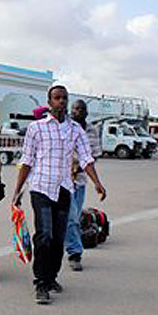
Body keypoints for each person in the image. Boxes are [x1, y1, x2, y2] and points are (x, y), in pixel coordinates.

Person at [11, 85, 106, 305]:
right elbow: (26, 160)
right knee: (44, 235)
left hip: (65, 189)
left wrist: (97, 183)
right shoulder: (37, 128)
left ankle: (52, 276)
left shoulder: (76, 130)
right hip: (41, 188)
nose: (61, 102)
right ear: (49, 101)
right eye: (57, 98)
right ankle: (41, 283)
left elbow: (86, 158)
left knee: (58, 238)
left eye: (64, 98)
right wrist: (17, 190)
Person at [64, 99, 102, 271]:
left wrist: (79, 168)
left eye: (80, 109)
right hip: (61, 180)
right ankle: (74, 251)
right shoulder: (64, 126)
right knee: (68, 218)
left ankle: (72, 250)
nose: (76, 111)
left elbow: (94, 155)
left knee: (73, 217)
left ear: (86, 112)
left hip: (79, 180)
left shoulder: (91, 131)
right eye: (74, 109)